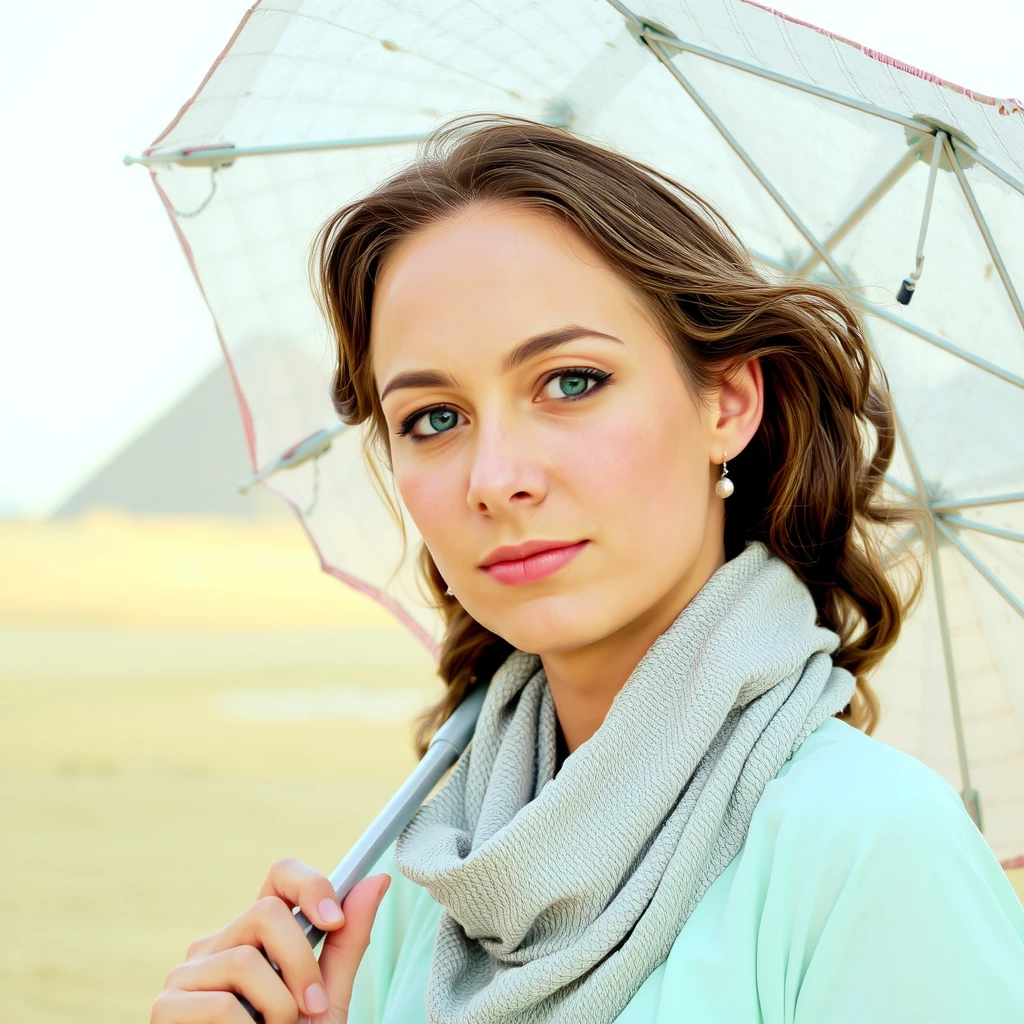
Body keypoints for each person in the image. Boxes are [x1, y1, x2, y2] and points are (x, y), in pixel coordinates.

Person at [151, 114, 1024, 1024]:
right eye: (433, 419)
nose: (495, 480)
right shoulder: (423, 888)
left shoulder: (870, 851)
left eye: (570, 381)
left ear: (726, 401)